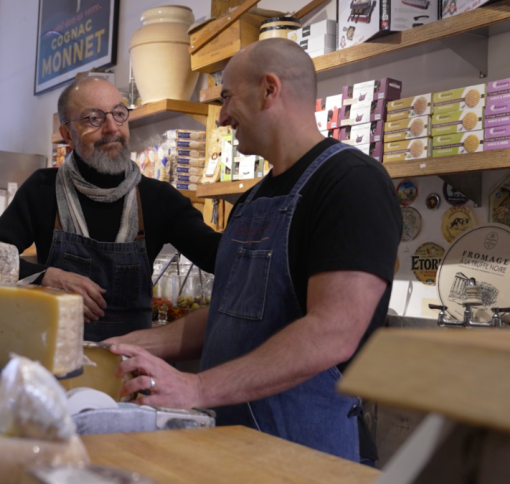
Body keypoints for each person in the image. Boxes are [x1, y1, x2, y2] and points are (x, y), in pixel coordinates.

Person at [105, 39, 401, 463]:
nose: (223, 116)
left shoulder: (351, 183)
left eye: (227, 98)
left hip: (309, 456)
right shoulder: (253, 198)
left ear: (269, 89)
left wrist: (197, 388)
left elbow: (333, 330)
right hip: (234, 444)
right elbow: (229, 314)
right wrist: (125, 348)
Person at [0, 77, 221, 342]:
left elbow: (217, 256)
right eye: (94, 118)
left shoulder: (157, 198)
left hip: (130, 365)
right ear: (68, 134)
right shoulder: (43, 190)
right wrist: (47, 276)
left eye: (119, 114)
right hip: (57, 360)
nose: (112, 128)